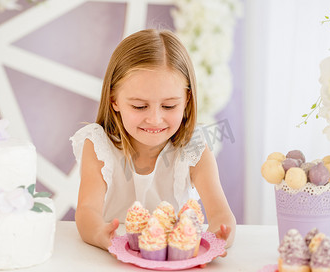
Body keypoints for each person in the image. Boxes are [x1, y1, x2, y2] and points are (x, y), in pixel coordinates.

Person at [70, 29, 236, 252]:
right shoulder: (99, 145)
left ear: (186, 100)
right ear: (114, 100)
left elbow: (220, 213)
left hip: (174, 264)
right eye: (139, 106)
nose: (155, 119)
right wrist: (100, 234)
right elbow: (87, 210)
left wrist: (220, 236)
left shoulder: (194, 147)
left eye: (169, 106)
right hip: (112, 264)